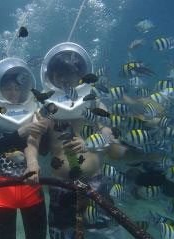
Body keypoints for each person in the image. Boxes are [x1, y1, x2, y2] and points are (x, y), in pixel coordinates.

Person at [37, 42, 126, 239]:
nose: (64, 79)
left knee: (104, 234)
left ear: (80, 76)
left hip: (95, 181)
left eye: (70, 74)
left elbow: (109, 134)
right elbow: (36, 141)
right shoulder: (46, 107)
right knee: (62, 234)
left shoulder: (94, 102)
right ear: (49, 77)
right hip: (61, 185)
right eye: (58, 74)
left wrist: (91, 142)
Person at [0, 58, 48, 239]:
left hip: (31, 184)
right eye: (8, 88)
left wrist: (43, 128)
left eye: (17, 89)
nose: (13, 93)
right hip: (3, 187)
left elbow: (44, 151)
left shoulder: (33, 112)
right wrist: (21, 131)